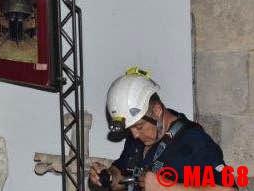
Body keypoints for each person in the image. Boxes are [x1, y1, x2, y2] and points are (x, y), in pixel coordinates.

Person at [89, 68, 234, 191]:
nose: (135, 134)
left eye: (139, 126)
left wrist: (166, 187)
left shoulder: (194, 140)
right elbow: (122, 172)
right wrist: (109, 176)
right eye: (130, 128)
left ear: (157, 110)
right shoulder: (138, 136)